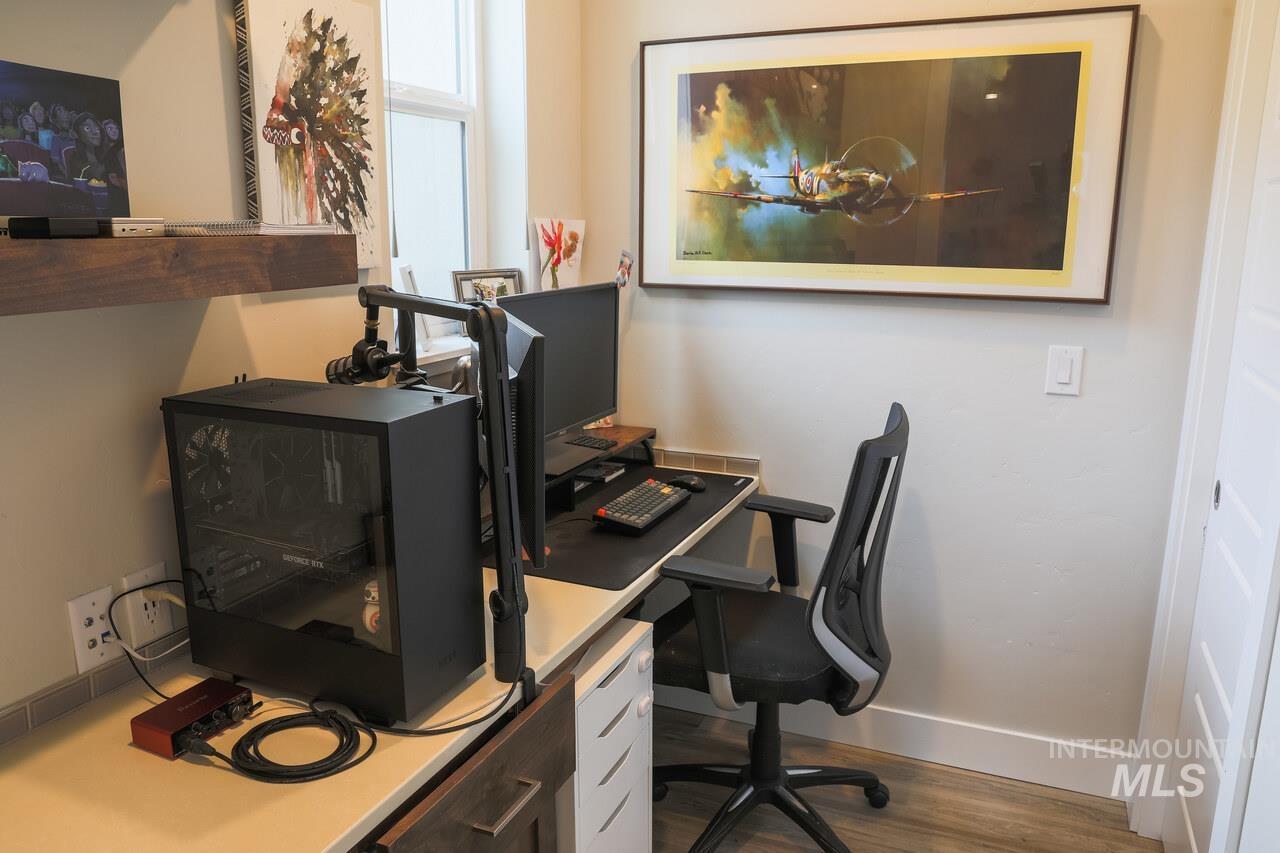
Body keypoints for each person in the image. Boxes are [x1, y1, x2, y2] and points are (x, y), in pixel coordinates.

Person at [67, 112, 106, 181]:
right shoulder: (76, 161)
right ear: (76, 134)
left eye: (97, 129)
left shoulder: (107, 157)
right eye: (87, 128)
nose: (95, 132)